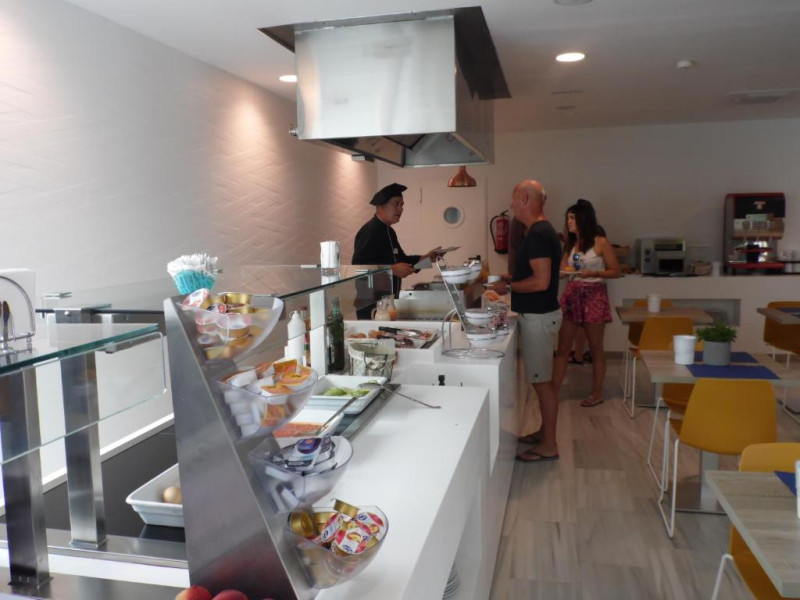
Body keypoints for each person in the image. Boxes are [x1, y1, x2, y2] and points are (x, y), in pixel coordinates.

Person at [490, 180, 562, 462]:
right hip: (539, 316)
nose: (510, 205)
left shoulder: (539, 234)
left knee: (542, 383)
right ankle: (545, 434)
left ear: (524, 199)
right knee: (541, 380)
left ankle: (549, 445)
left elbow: (541, 282)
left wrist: (508, 287)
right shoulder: (539, 231)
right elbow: (536, 275)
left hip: (539, 318)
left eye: (513, 198)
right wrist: (513, 278)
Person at [551, 199, 620, 407]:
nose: (568, 222)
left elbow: (615, 271)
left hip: (594, 294)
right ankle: (552, 392)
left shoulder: (601, 242)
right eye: (568, 218)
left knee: (596, 347)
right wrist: (564, 271)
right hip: (573, 293)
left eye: (572, 218)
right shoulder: (571, 243)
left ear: (583, 219)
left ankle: (597, 393)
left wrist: (595, 273)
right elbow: (562, 269)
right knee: (563, 347)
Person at [352, 183, 440, 317]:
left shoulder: (389, 231)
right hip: (372, 305)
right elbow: (359, 268)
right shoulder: (370, 231)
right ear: (381, 206)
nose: (400, 209)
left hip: (389, 302)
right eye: (396, 204)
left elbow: (402, 260)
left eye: (402, 205)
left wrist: (427, 258)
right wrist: (392, 269)